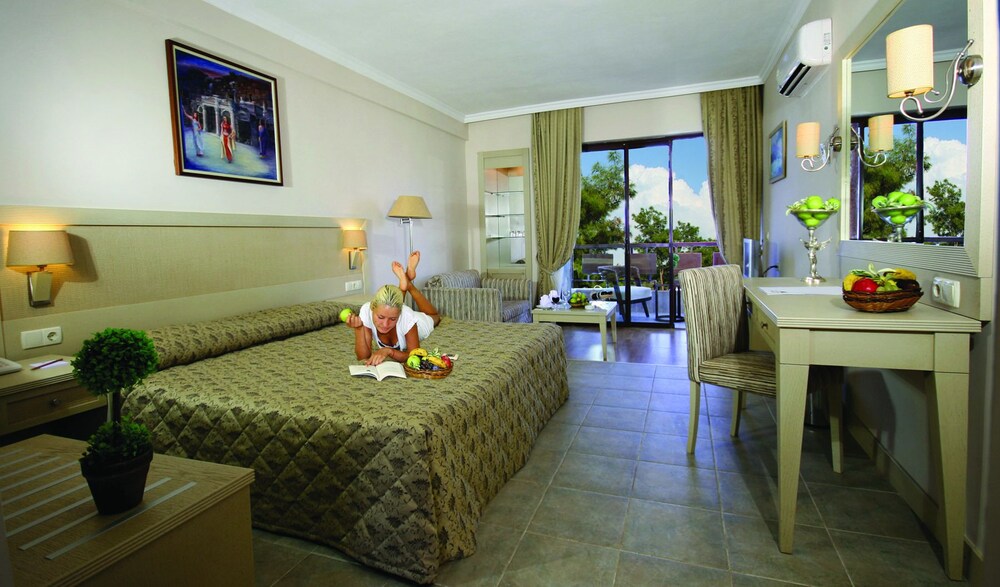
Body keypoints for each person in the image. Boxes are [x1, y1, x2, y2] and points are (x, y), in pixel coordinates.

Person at [346, 251, 441, 366]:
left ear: (400, 314)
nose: (385, 324)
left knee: (435, 316)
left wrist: (389, 351)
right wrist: (359, 329)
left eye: (392, 319)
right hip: (396, 311)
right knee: (393, 306)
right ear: (372, 308)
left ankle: (408, 285)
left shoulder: (407, 316)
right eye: (381, 317)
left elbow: (415, 355)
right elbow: (363, 357)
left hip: (418, 324)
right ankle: (405, 283)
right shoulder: (366, 310)